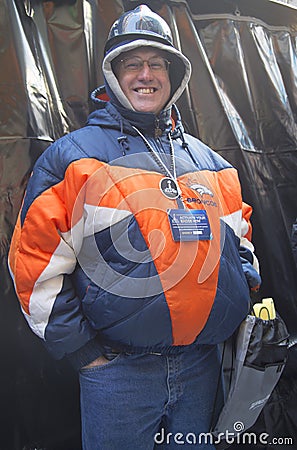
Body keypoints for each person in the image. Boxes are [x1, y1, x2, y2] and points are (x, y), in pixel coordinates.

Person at [8, 5, 261, 450]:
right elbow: (34, 266)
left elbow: (239, 235)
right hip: (119, 376)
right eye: (132, 64)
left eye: (157, 63)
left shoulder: (210, 162)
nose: (146, 74)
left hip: (202, 368)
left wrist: (245, 284)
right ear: (112, 74)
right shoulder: (74, 160)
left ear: (174, 74)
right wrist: (86, 355)